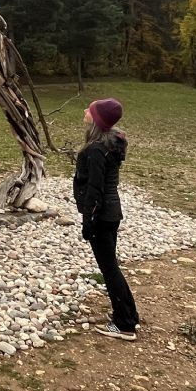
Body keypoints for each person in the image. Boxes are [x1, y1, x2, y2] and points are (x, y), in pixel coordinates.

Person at [73, 97, 139, 341]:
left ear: (96, 120)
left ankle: (124, 324)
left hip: (102, 216)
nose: (84, 112)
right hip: (112, 213)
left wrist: (88, 222)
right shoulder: (110, 146)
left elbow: (95, 189)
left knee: (109, 269)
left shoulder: (96, 151)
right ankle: (129, 315)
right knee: (111, 266)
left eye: (89, 111)